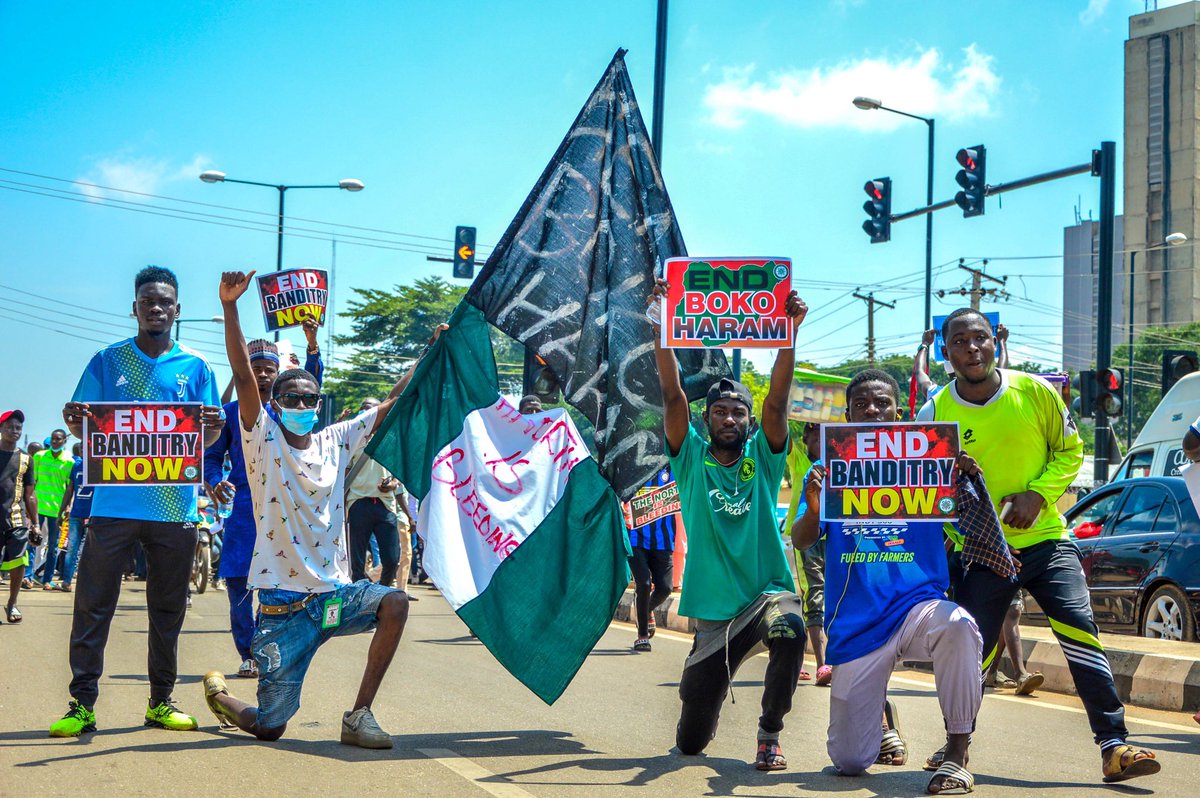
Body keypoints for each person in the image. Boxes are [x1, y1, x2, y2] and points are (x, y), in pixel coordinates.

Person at [918, 308, 1160, 784]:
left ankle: (1114, 746)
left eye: (980, 338)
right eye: (960, 341)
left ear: (997, 341)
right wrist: (962, 535)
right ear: (945, 352)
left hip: (1048, 541)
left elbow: (1070, 450)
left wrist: (1038, 494)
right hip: (982, 553)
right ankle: (955, 748)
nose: (972, 348)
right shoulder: (935, 412)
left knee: (1078, 627)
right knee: (973, 650)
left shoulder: (1035, 391)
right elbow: (926, 490)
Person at [202, 269, 418, 748]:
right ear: (274, 403)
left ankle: (359, 715)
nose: (302, 401)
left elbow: (390, 404)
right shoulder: (263, 440)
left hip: (332, 601)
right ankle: (221, 699)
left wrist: (429, 354)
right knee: (270, 727)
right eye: (291, 396)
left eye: (309, 397)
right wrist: (232, 308)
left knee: (395, 602)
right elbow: (242, 376)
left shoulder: (335, 440)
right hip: (282, 610)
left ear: (319, 404)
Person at [52, 265, 224, 738]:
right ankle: (81, 704)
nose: (156, 308)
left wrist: (210, 425)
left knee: (167, 612)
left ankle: (161, 702)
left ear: (177, 310)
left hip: (175, 511)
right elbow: (84, 427)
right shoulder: (108, 361)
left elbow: (207, 437)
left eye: (164, 302)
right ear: (134, 308)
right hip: (113, 507)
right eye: (147, 301)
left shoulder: (197, 367)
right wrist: (73, 420)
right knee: (92, 607)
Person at [793, 369, 984, 793]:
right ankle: (878, 718)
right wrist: (811, 507)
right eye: (861, 404)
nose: (872, 410)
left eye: (881, 403)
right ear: (847, 415)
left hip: (918, 609)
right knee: (848, 762)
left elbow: (971, 531)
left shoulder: (932, 460)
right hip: (858, 626)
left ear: (900, 412)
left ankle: (957, 752)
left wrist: (966, 482)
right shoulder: (830, 469)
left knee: (959, 626)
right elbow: (803, 539)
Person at [651, 277, 808, 771]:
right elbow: (674, 397)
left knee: (789, 629)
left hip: (766, 592)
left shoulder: (765, 457)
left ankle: (769, 734)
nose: (729, 418)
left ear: (748, 422)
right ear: (707, 420)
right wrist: (662, 327)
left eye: (738, 412)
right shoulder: (691, 459)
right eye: (719, 411)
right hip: (715, 615)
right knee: (691, 742)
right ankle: (704, 695)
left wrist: (789, 332)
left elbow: (778, 403)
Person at [205, 338, 286, 680]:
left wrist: (313, 349)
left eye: (269, 370)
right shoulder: (230, 413)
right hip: (242, 509)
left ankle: (275, 649)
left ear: (279, 374)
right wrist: (215, 481)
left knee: (279, 583)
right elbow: (209, 456)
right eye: (256, 369)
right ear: (244, 373)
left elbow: (314, 383)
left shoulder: (288, 410)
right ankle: (248, 652)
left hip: (283, 508)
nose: (263, 375)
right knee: (238, 582)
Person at [346, 397, 416, 593]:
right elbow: (344, 471)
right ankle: (359, 597)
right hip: (358, 503)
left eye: (373, 409)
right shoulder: (353, 438)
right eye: (364, 408)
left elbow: (397, 477)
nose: (368, 412)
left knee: (393, 559)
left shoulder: (390, 441)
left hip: (385, 506)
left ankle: (380, 595)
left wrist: (392, 485)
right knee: (357, 562)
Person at [785, 421, 830, 685]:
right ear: (805, 440)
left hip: (830, 533)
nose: (820, 441)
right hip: (805, 534)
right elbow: (783, 439)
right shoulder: (800, 460)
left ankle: (821, 659)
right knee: (813, 591)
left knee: (827, 590)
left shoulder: (838, 462)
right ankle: (821, 663)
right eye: (815, 437)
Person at [626, 466, 676, 653]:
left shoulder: (675, 467)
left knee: (665, 588)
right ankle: (642, 636)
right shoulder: (634, 469)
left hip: (663, 540)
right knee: (644, 584)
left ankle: (645, 610)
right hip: (635, 538)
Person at [0, 409, 37, 623]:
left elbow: (30, 495)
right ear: (1, 429)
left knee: (18, 563)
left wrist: (35, 523)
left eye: (18, 428)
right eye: (10, 427)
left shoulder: (26, 459)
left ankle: (12, 603)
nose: (15, 431)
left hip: (16, 519)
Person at [31, 428, 73, 589]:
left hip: (56, 510)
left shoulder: (69, 461)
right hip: (38, 507)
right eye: (53, 439)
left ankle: (47, 580)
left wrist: (66, 509)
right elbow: (33, 482)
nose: (55, 442)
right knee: (32, 542)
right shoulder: (40, 457)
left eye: (58, 439)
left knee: (53, 547)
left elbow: (69, 488)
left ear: (64, 441)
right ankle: (28, 576)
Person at [984, 589, 1043, 694]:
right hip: (983, 578)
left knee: (1011, 611)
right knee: (1006, 613)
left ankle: (1015, 674)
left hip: (1012, 576)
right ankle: (994, 671)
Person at [59, 442, 93, 593]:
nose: (83, 451)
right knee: (72, 549)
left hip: (91, 515)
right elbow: (69, 490)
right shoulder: (76, 466)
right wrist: (62, 511)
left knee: (86, 550)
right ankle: (67, 581)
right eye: (81, 449)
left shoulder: (99, 467)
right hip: (76, 514)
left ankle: (84, 581)